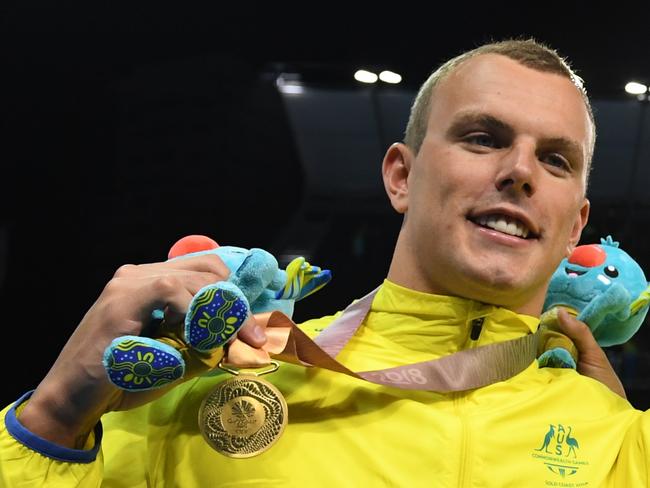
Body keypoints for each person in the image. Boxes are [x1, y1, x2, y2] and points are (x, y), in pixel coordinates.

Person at [0, 38, 642, 487]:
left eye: (556, 159)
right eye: (483, 138)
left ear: (576, 227)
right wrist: (53, 419)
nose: (520, 172)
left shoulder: (623, 445)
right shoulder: (206, 385)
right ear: (401, 176)